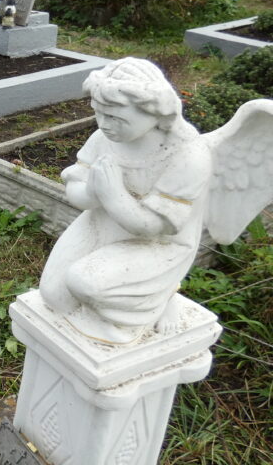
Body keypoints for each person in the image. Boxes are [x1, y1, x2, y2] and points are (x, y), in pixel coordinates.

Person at [39, 58, 211, 344]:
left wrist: (113, 195)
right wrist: (93, 193)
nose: (104, 125)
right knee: (55, 296)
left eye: (116, 118)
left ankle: (159, 298)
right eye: (98, 113)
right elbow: (77, 189)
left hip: (155, 243)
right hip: (103, 224)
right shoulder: (103, 137)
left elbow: (153, 227)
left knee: (85, 282)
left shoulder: (188, 155)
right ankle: (135, 298)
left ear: (153, 111)